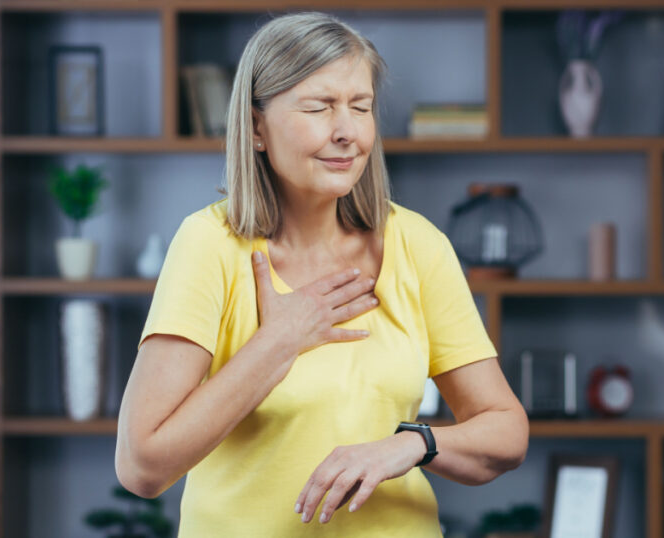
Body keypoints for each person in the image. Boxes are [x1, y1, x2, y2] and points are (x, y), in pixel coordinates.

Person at [115, 11, 528, 536]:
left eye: (361, 107)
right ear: (256, 127)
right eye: (318, 107)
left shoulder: (417, 244)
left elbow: (506, 433)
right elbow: (140, 466)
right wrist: (279, 342)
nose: (347, 132)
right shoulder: (210, 246)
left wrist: (409, 444)